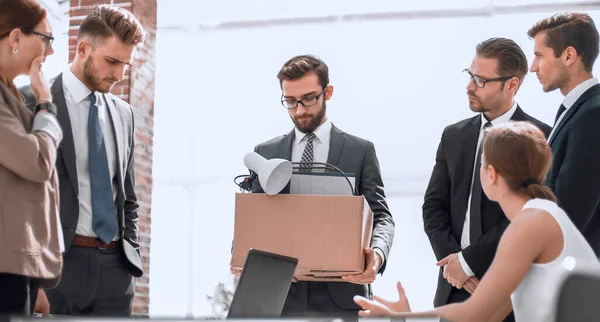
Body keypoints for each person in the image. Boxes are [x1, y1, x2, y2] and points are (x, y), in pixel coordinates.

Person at [355, 121, 600, 322]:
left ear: (491, 174)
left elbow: (472, 313)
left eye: (481, 164)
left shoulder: (530, 224)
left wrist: (406, 317)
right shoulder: (538, 216)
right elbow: (487, 315)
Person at [236, 54, 395, 320]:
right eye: (290, 101)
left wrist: (377, 255)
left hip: (343, 296)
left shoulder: (360, 151)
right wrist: (239, 251)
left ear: (328, 92)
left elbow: (382, 217)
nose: (299, 110)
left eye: (309, 99)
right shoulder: (265, 153)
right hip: (279, 299)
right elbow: (256, 219)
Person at [20, 4, 145, 316]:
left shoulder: (124, 114)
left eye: (125, 66)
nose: (118, 74)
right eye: (112, 62)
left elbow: (127, 198)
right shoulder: (30, 99)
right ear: (83, 48)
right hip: (57, 271)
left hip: (116, 275)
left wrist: (129, 255)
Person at [422, 37, 550, 320]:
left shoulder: (539, 139)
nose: (469, 86)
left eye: (480, 80)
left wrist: (468, 262)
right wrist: (456, 267)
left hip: (509, 293)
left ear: (512, 85)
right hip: (453, 291)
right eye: (470, 75)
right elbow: (433, 208)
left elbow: (527, 214)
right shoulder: (453, 135)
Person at [0, 0, 63, 317]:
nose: (50, 52)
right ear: (15, 38)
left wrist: (34, 278)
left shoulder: (11, 97)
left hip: (16, 266)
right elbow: (37, 162)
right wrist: (45, 104)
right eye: (46, 39)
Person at [528, 12, 600, 257]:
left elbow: (572, 211)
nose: (532, 67)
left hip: (583, 275)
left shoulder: (593, 113)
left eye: (539, 56)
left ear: (568, 55)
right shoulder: (578, 109)